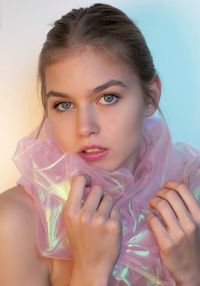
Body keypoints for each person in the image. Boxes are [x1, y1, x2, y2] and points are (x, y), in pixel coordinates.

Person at [0, 3, 200, 286]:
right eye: (64, 104)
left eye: (107, 97)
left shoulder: (191, 202)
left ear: (151, 97)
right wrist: (90, 271)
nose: (85, 127)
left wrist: (191, 275)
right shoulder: (17, 221)